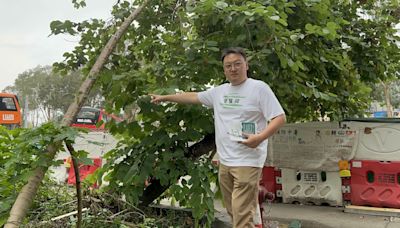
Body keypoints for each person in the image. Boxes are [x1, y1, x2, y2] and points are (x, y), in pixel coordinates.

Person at [150, 47, 285, 227]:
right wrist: (165, 97)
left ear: (247, 65)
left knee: (241, 213)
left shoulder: (259, 88)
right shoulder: (219, 92)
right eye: (228, 65)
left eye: (238, 64)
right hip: (226, 161)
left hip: (248, 160)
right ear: (224, 69)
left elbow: (279, 117)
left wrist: (259, 138)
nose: (233, 68)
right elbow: (193, 97)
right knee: (233, 210)